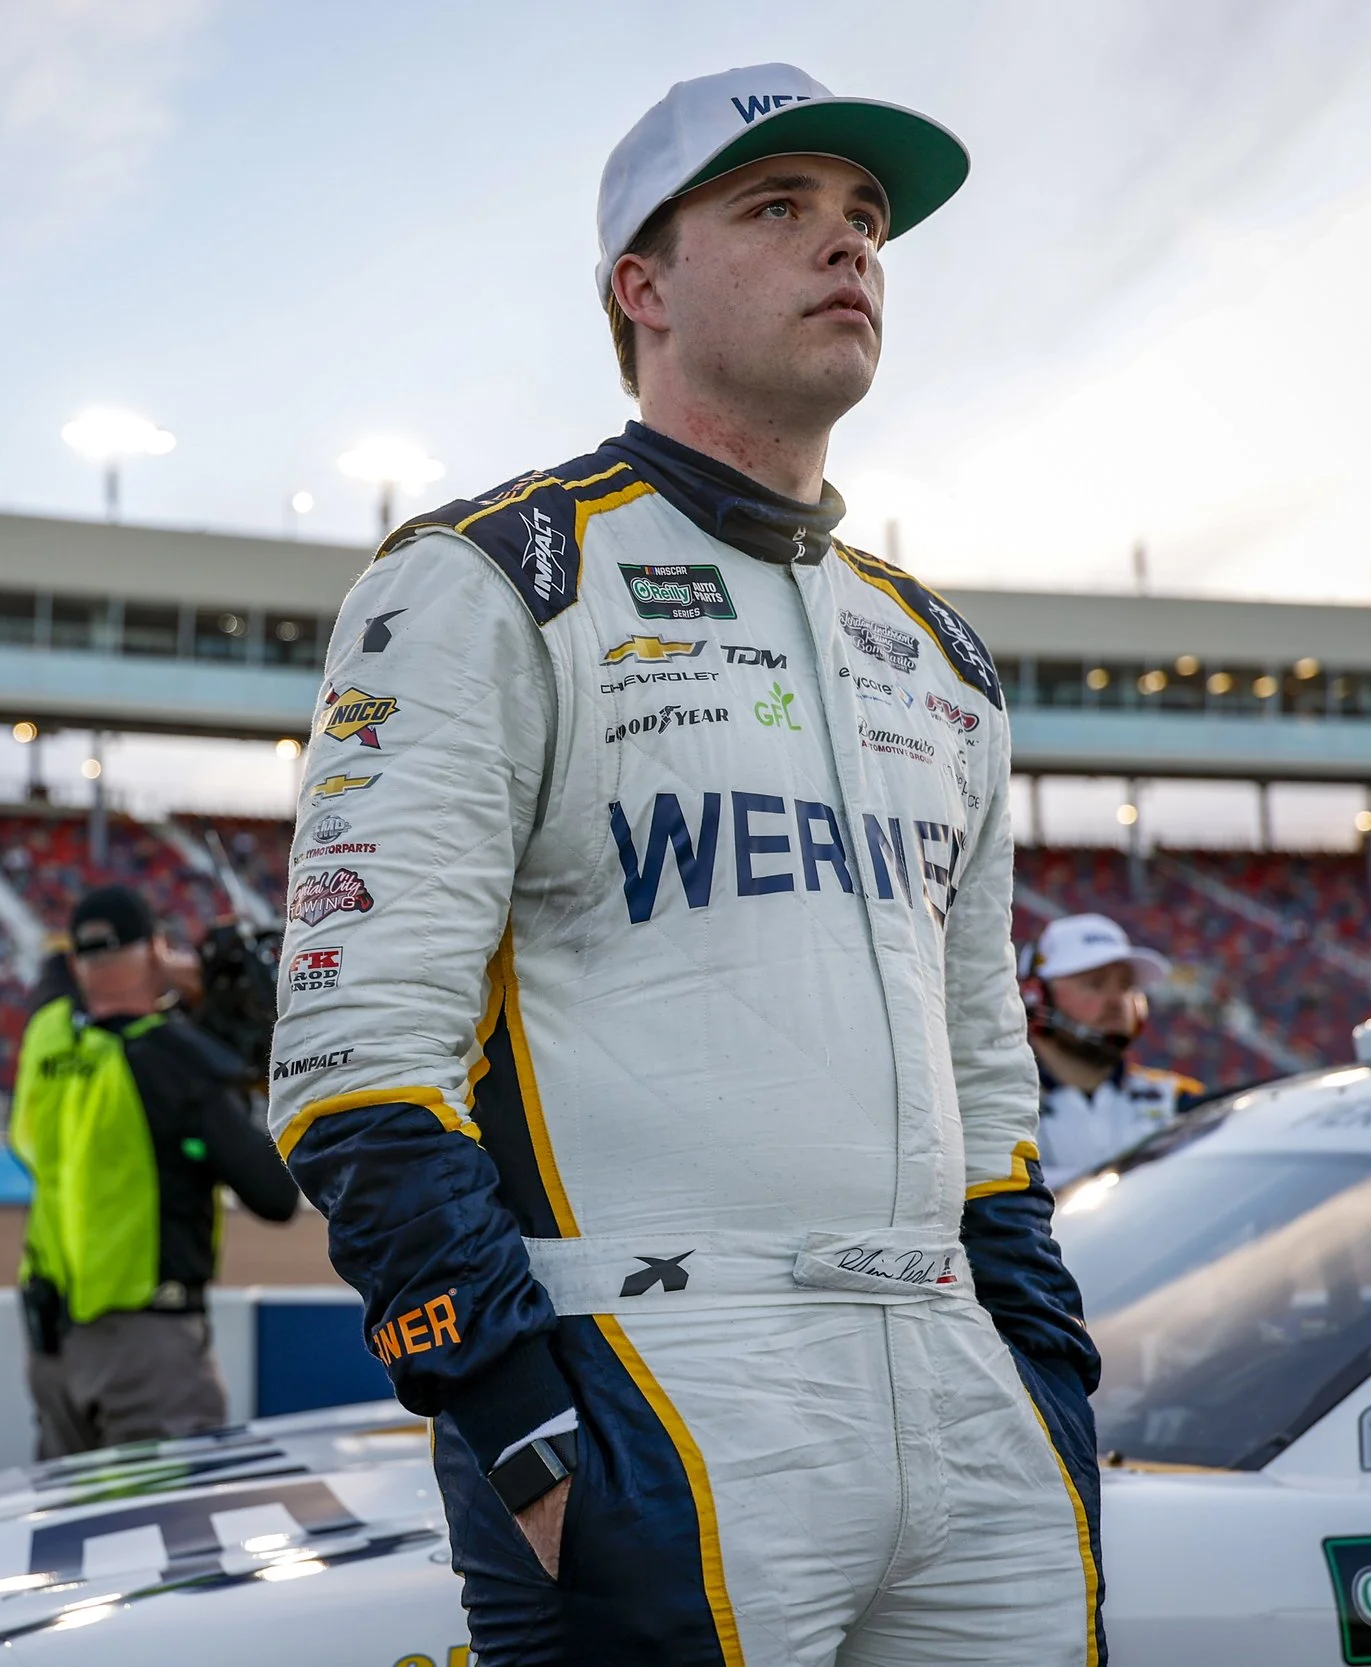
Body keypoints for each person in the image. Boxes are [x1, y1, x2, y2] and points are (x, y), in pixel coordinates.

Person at [269, 63, 1101, 1667]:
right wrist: (516, 1420)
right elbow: (352, 1060)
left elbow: (992, 1079)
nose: (847, 246)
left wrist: (1047, 1386)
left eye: (864, 219)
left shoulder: (937, 649)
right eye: (778, 207)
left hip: (959, 1378)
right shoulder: (494, 574)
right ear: (640, 288)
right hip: (657, 1370)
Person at [9, 885, 299, 1457]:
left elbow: (57, 981)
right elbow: (275, 1196)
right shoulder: (178, 1064)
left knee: (72, 1534)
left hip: (53, 1354)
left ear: (78, 962)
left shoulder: (47, 1041)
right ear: (156, 949)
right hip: (149, 1357)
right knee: (167, 1536)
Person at [1024, 912, 1203, 1184]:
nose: (1117, 1000)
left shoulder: (1181, 1100)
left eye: (1126, 984)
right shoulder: (995, 1109)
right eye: (1094, 983)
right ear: (1036, 997)